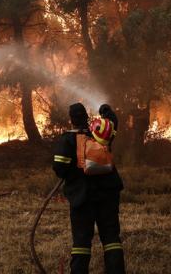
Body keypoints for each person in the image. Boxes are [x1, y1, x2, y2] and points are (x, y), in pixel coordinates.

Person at [53, 103, 126, 274]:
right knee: (111, 239)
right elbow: (113, 124)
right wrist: (107, 111)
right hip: (108, 194)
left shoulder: (68, 139)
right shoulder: (101, 133)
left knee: (81, 242)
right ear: (86, 117)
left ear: (71, 119)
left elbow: (59, 168)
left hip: (82, 197)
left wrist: (71, 172)